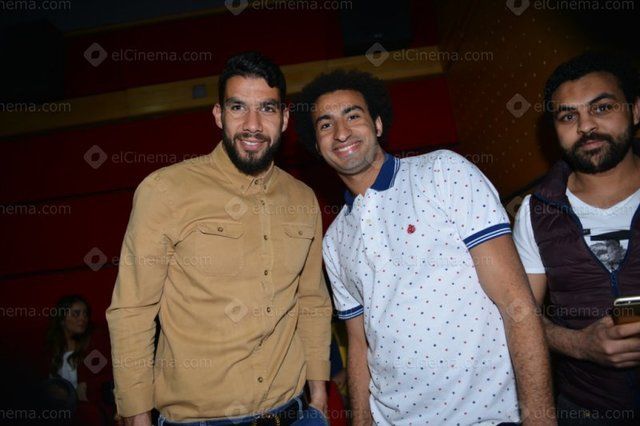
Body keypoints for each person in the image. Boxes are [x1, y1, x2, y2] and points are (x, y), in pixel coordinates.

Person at [295, 69, 555, 425]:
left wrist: (540, 419)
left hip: (487, 418)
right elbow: (358, 345)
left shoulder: (443, 172)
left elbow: (516, 301)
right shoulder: (333, 240)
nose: (341, 132)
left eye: (353, 116)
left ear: (378, 124)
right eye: (326, 125)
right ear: (316, 144)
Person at [106, 51, 331, 426]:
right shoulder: (165, 191)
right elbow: (132, 311)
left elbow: (312, 300)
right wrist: (137, 417)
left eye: (267, 109)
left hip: (295, 414)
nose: (252, 125)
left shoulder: (303, 199)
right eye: (238, 107)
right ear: (218, 115)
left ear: (284, 118)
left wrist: (319, 395)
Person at [513, 52, 640, 424]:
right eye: (568, 116)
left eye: (602, 108)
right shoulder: (536, 212)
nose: (586, 126)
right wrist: (581, 345)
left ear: (635, 111)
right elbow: (521, 318)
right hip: (585, 410)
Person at [43, 294, 114, 425]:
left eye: (85, 314)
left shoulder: (95, 347)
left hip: (89, 416)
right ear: (62, 319)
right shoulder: (50, 351)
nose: (82, 318)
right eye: (76, 314)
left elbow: (105, 378)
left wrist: (74, 393)